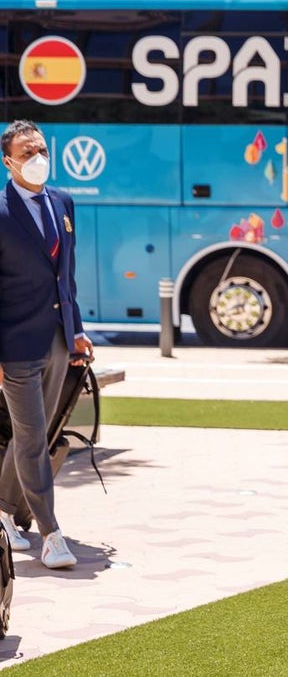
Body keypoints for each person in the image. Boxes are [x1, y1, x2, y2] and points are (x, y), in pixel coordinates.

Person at [0, 119, 94, 569]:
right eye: (27, 153)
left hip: (56, 340)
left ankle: (3, 512)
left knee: (33, 434)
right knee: (33, 437)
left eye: (41, 150)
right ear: (8, 162)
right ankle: (50, 533)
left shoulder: (62, 202)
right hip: (14, 345)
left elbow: (65, 276)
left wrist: (75, 330)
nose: (37, 159)